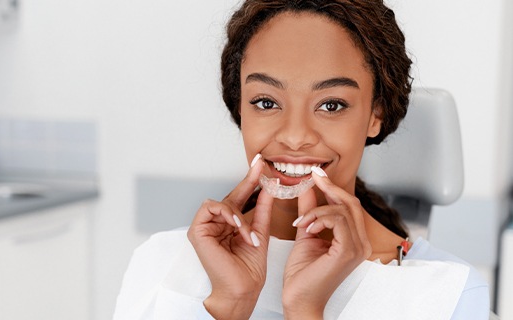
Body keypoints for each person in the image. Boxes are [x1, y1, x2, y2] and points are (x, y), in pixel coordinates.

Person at [113, 0, 489, 319]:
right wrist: (228, 305)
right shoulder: (163, 263)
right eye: (266, 102)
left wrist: (307, 309)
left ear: (376, 114)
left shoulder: (447, 295)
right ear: (240, 109)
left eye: (331, 104)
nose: (294, 136)